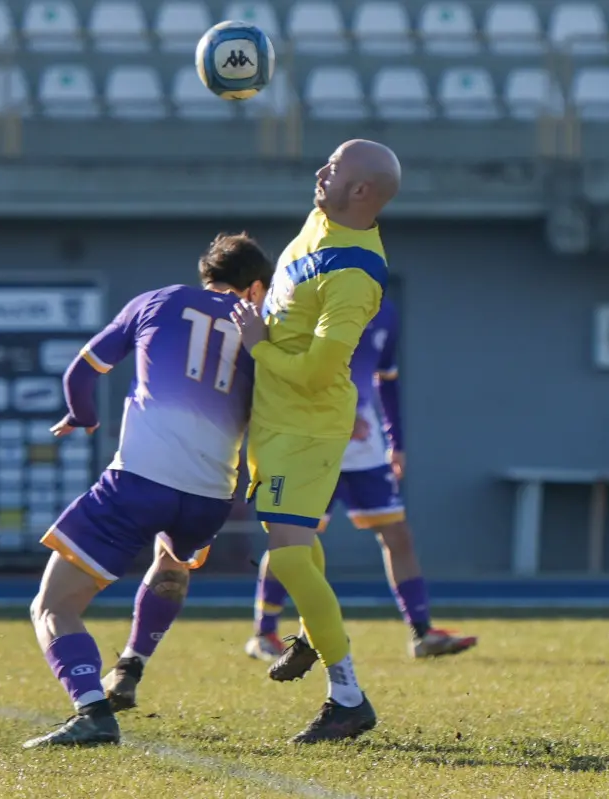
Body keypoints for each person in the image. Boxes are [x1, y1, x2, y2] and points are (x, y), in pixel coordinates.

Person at [23, 233, 273, 749]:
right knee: (173, 562)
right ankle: (131, 665)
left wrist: (82, 416)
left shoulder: (159, 301)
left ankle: (91, 710)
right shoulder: (263, 332)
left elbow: (82, 372)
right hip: (210, 496)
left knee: (52, 607)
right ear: (254, 286)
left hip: (139, 480)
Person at [225, 139, 399, 744]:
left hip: (307, 426)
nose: (320, 171)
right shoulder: (322, 220)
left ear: (360, 192)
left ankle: (347, 695)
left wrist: (258, 346)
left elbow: (323, 371)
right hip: (277, 422)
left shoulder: (354, 273)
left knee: (290, 554)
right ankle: (312, 633)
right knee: (296, 546)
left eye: (334, 168)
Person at [246, 297, 478, 664]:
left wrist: (396, 443)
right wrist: (336, 417)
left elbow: (386, 378)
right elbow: (298, 371)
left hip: (363, 446)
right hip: (314, 438)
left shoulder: (386, 311)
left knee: (397, 535)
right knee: (292, 539)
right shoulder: (316, 302)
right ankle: (264, 632)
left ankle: (422, 632)